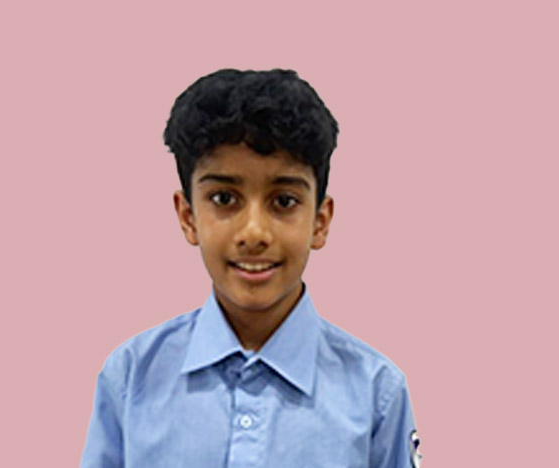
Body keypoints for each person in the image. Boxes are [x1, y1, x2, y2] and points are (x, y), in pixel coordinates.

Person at [80, 69, 422, 468]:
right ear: (188, 216)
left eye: (284, 201)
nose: (254, 233)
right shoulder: (131, 379)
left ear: (320, 221)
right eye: (224, 199)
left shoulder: (376, 394)